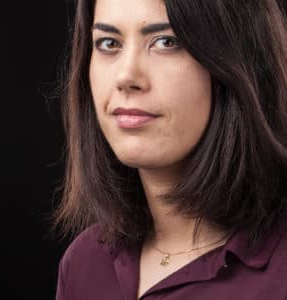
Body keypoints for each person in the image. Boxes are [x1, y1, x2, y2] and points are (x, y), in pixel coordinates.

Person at [54, 0, 287, 299]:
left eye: (166, 42)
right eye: (109, 43)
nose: (126, 77)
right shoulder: (85, 264)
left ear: (237, 60)